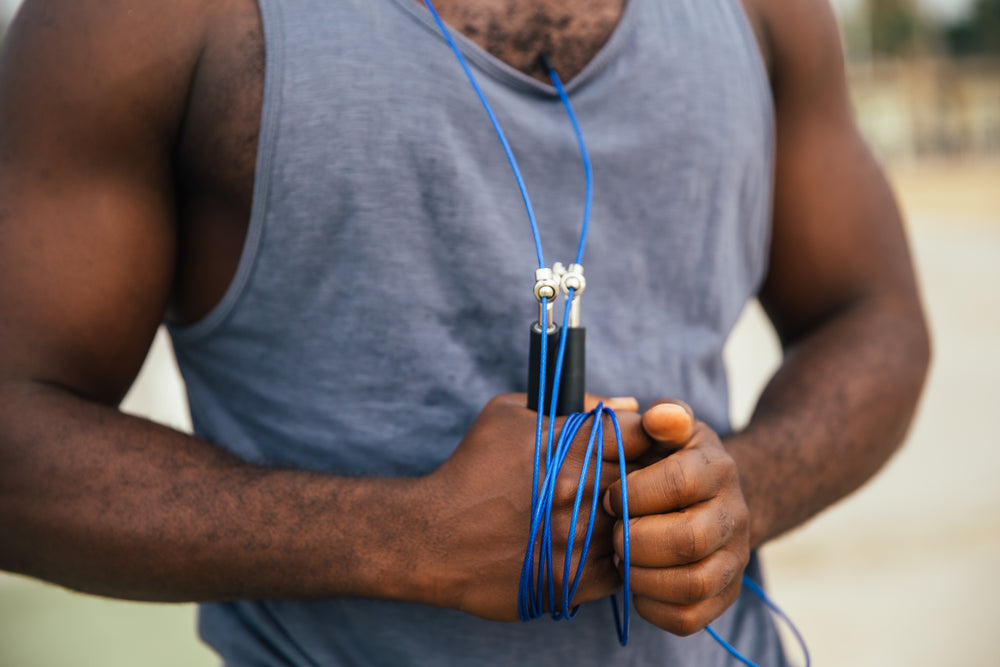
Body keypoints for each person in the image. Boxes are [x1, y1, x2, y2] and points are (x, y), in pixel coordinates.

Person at [0, 0, 929, 664]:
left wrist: (737, 499)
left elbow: (874, 312)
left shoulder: (767, 11)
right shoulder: (143, 19)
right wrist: (404, 540)